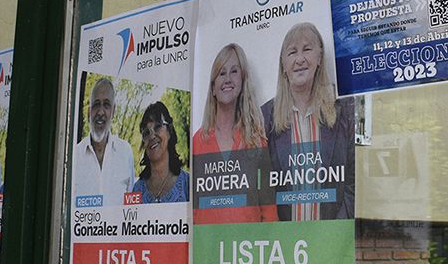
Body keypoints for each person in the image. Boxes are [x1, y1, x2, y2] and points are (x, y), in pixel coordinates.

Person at [263, 23, 355, 221]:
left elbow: (353, 182)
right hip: (283, 236)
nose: (300, 59)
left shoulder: (345, 110)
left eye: (307, 49)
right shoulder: (265, 116)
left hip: (332, 235)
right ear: (283, 65)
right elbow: (260, 187)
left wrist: (335, 231)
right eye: (292, 52)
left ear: (319, 58)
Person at [194, 44, 276, 223]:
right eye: (221, 73)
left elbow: (269, 210)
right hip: (208, 240)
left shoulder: (256, 141)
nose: (228, 79)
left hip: (249, 240)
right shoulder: (197, 142)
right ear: (213, 88)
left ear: (243, 82)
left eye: (234, 71)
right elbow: (192, 212)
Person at [72, 78, 136, 204]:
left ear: (113, 111)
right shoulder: (75, 155)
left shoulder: (125, 152)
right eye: (96, 104)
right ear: (89, 111)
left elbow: (131, 205)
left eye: (106, 105)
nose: (100, 112)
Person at [130, 101, 190, 204]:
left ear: (169, 131)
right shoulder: (137, 190)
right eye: (146, 133)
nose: (152, 136)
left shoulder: (188, 184)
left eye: (157, 127)